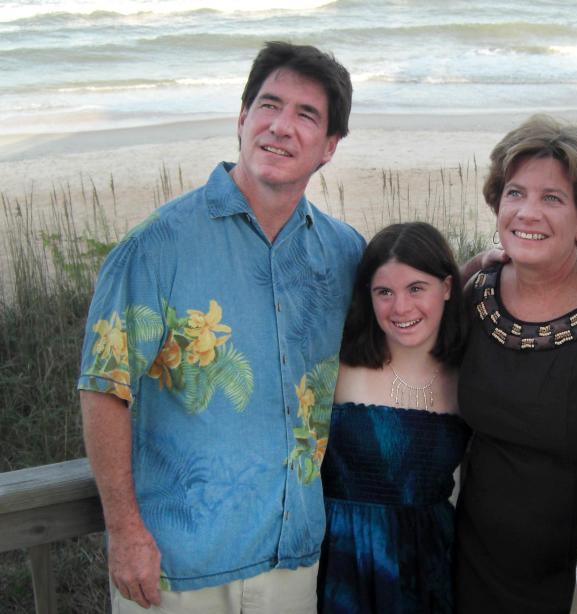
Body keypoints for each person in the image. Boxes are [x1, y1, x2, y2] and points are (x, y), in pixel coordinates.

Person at [78, 41, 364, 613]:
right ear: (241, 118)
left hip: (292, 559)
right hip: (176, 566)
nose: (281, 127)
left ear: (330, 147)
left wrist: (489, 272)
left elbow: (406, 319)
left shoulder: (345, 252)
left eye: (306, 115)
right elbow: (103, 387)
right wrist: (126, 533)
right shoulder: (156, 246)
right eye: (269, 105)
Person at [454, 114, 577, 613]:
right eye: (515, 194)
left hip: (574, 586)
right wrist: (470, 267)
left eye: (552, 198)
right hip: (469, 570)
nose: (528, 213)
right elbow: (406, 338)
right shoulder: (480, 295)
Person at [317, 222, 470, 613]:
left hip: (429, 564)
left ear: (448, 288)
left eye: (416, 288)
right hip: (339, 557)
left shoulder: (469, 376)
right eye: (384, 292)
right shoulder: (337, 367)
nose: (401, 308)